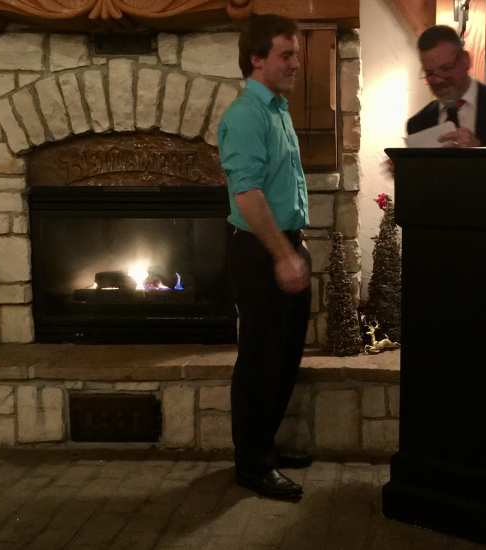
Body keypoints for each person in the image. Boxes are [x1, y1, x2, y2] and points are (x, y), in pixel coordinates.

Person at [217, 13, 312, 501]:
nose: (296, 63)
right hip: (261, 252)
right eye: (286, 54)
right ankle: (252, 465)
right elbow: (248, 194)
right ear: (257, 59)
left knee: (283, 357)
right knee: (259, 360)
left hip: (283, 244)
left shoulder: (276, 108)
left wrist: (295, 246)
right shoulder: (245, 115)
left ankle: (265, 448)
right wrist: (282, 256)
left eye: (296, 54)